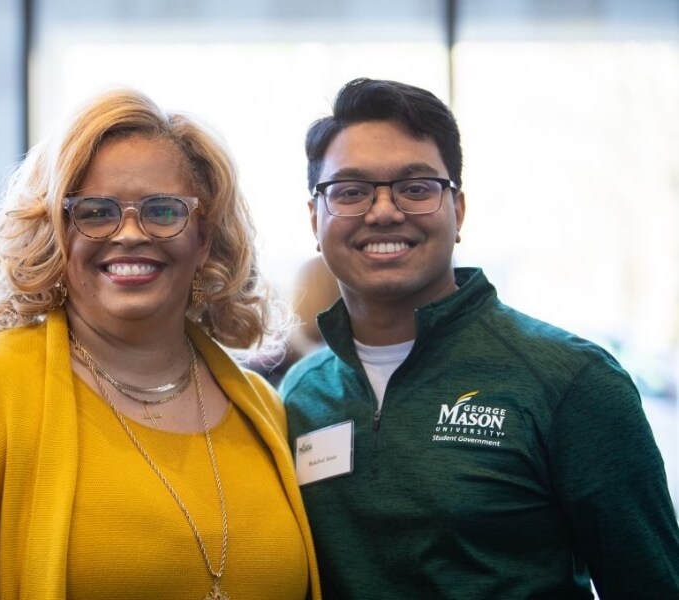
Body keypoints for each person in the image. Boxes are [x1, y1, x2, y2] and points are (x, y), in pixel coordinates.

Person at [0, 89, 320, 599]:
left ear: (203, 237)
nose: (128, 233)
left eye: (163, 211)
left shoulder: (263, 411)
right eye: (96, 212)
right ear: (57, 231)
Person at [280, 77, 679, 599]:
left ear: (458, 210)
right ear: (316, 217)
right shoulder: (300, 394)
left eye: (416, 187)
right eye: (350, 191)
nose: (383, 211)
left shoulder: (571, 382)